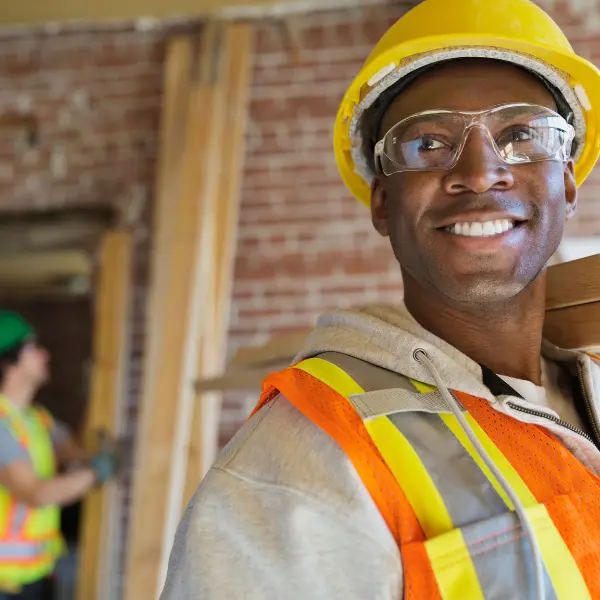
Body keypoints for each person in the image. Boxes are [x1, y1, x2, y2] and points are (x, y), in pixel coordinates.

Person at [161, 0, 600, 598]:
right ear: (382, 204)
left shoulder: (590, 385)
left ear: (569, 182)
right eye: (427, 143)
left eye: (521, 135)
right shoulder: (301, 465)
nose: (479, 171)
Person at [0, 311, 119, 600]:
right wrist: (95, 473)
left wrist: (98, 393)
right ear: (9, 362)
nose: (44, 354)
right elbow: (35, 493)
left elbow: (76, 450)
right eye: (33, 348)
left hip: (33, 575)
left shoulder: (36, 419)